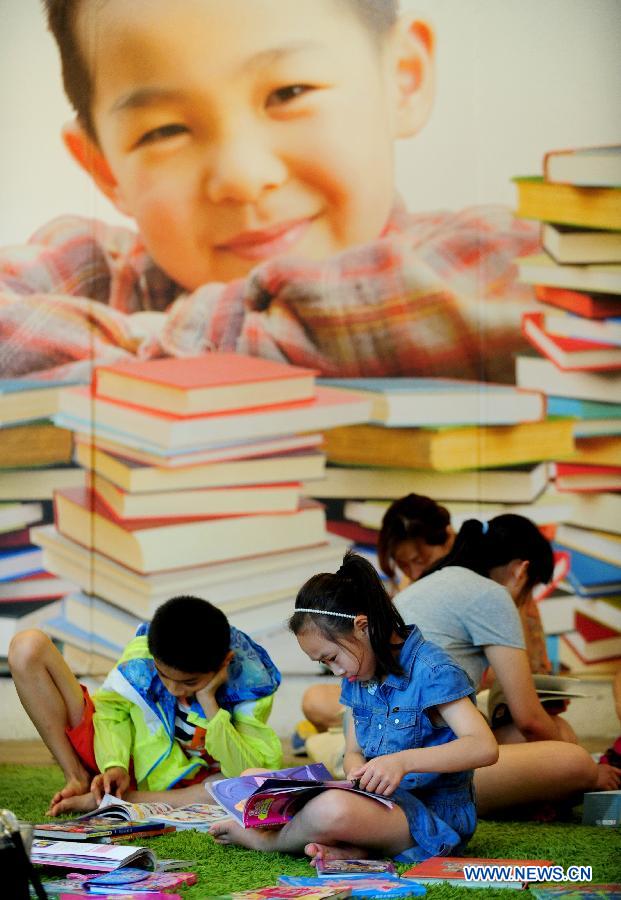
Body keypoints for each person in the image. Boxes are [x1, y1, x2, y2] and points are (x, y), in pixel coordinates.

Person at [0, 0, 539, 381]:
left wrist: (159, 350)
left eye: (289, 92)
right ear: (106, 171)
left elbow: (537, 297)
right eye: (164, 130)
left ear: (403, 77)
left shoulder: (494, 261)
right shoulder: (93, 275)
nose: (241, 176)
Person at [210, 551, 498, 863]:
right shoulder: (357, 672)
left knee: (331, 809)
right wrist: (356, 776)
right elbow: (353, 752)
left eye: (332, 657)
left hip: (431, 821)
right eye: (324, 663)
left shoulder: (432, 670)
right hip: (380, 805)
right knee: (254, 778)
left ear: (362, 626)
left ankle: (268, 841)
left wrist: (401, 763)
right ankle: (353, 848)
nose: (336, 672)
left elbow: (483, 746)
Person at [394, 514, 621, 812]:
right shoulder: (492, 595)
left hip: (387, 760)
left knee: (551, 735)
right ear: (521, 571)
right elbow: (529, 719)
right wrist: (592, 773)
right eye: (530, 593)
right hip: (426, 771)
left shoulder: (431, 584)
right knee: (574, 759)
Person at [8, 595, 283, 816]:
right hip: (113, 765)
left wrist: (209, 702)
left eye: (189, 682)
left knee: (244, 786)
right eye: (165, 676)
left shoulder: (249, 684)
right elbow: (112, 711)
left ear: (224, 662)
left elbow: (252, 770)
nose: (174, 689)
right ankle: (78, 779)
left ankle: (112, 803)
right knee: (27, 646)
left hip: (180, 783)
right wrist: (114, 765)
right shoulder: (142, 652)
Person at [296, 493, 455, 740]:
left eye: (419, 560)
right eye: (403, 563)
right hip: (384, 686)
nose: (414, 571)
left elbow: (479, 743)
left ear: (449, 537)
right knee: (317, 700)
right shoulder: (358, 672)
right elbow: (355, 752)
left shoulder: (432, 665)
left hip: (437, 700)